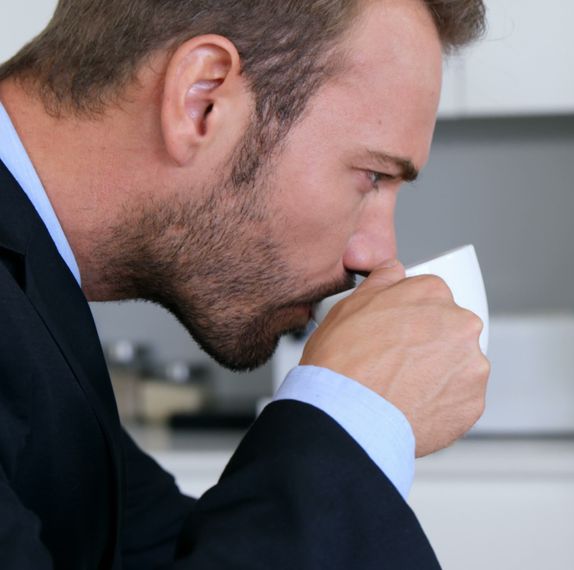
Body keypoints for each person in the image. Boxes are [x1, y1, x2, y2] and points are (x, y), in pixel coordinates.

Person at [0, 0, 490, 567]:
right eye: (372, 175)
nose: (377, 255)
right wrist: (349, 419)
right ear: (201, 99)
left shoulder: (36, 303)